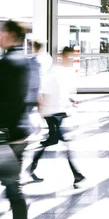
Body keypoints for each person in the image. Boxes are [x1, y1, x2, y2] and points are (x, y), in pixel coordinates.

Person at [30, 46, 85, 186]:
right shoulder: (53, 72)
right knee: (64, 142)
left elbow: (62, 92)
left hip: (59, 111)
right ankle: (76, 174)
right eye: (69, 57)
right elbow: (42, 92)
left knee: (52, 140)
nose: (70, 60)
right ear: (62, 57)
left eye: (72, 58)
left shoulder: (64, 72)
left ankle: (31, 167)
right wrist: (41, 112)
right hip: (51, 113)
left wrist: (71, 100)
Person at [0, 19, 30, 219]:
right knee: (12, 186)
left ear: (11, 35)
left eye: (2, 31)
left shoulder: (6, 64)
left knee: (13, 188)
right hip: (20, 131)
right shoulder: (24, 61)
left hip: (6, 136)